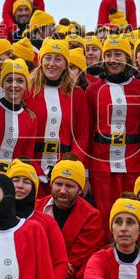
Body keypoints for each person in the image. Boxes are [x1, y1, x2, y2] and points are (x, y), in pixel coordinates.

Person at [86, 36, 140, 231]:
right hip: (101, 164)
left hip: (134, 163)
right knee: (105, 217)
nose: (113, 59)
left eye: (118, 54)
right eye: (108, 54)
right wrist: (85, 172)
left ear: (128, 58)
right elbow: (85, 131)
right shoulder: (93, 90)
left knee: (132, 216)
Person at [35, 157, 103, 279]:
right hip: (38, 269)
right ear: (51, 184)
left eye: (70, 186)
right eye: (58, 184)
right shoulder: (37, 207)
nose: (63, 191)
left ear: (80, 189)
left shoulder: (91, 216)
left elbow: (77, 257)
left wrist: (59, 267)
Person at [24, 39, 89, 184]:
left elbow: (81, 136)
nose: (52, 63)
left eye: (58, 59)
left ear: (66, 65)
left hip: (64, 169)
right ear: (41, 61)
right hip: (31, 166)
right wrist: (34, 167)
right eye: (47, 58)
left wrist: (69, 164)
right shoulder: (27, 91)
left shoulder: (77, 94)